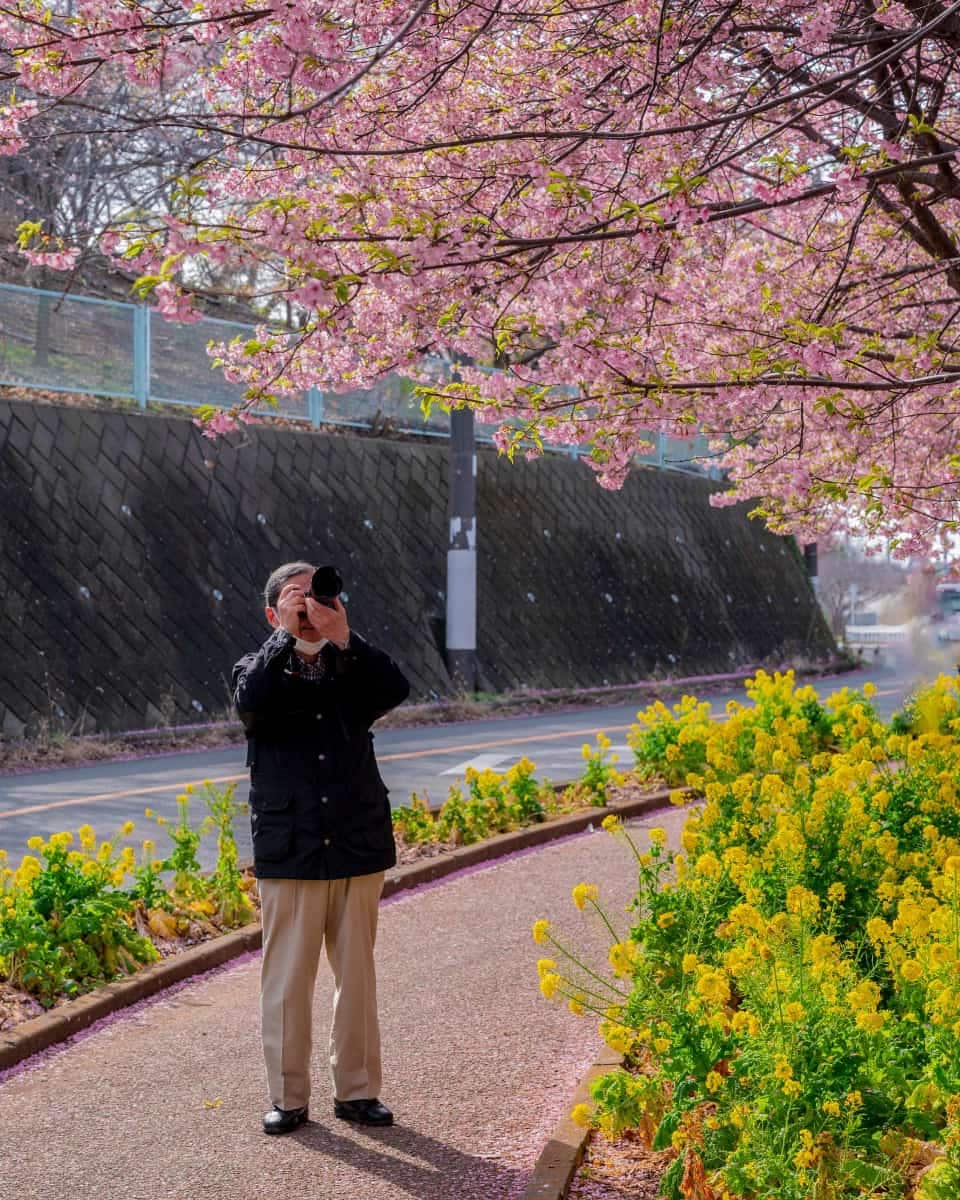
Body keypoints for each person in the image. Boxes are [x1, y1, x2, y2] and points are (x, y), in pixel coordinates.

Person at [232, 560, 410, 1135]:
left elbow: (395, 688)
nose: (310, 606)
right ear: (271, 612)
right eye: (295, 597)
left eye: (318, 595)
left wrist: (345, 636)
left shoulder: (351, 665)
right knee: (286, 982)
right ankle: (289, 1098)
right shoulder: (256, 668)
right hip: (292, 849)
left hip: (356, 843)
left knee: (357, 977)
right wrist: (285, 637)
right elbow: (251, 702)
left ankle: (357, 1093)